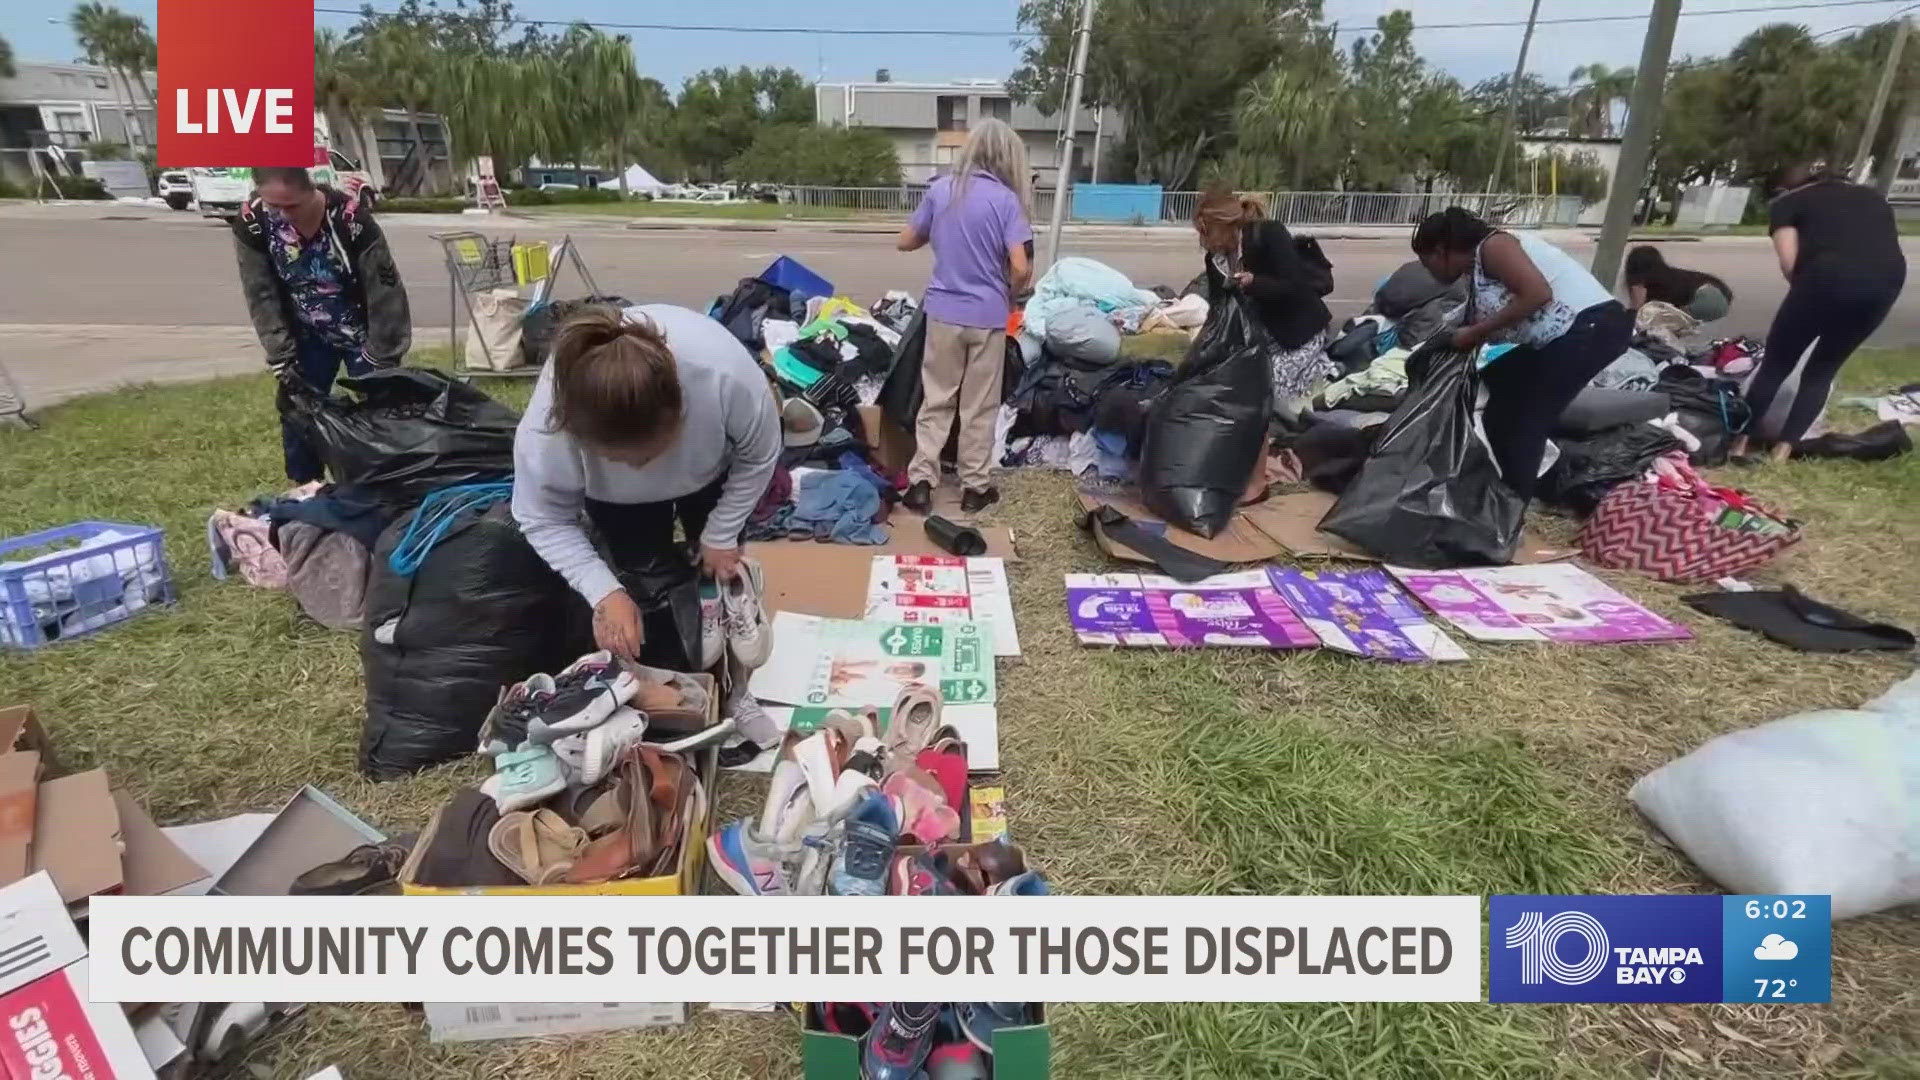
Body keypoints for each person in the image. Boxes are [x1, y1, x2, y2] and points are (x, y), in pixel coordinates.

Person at [512, 305, 780, 663]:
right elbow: (544, 519)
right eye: (620, 461)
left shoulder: (725, 377)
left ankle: (726, 595)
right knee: (640, 571)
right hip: (615, 501)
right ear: (578, 435)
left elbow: (759, 455)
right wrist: (603, 591)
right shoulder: (545, 433)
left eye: (651, 454)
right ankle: (667, 624)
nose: (638, 468)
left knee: (718, 555)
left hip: (711, 470)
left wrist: (723, 531)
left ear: (680, 412)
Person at [1411, 207, 1630, 499]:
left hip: (1592, 329)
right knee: (1497, 391)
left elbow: (1537, 294)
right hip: (1566, 336)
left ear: (1440, 251)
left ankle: (1513, 508)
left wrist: (1475, 334)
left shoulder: (1494, 246)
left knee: (1526, 417)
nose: (1429, 273)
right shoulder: (1475, 270)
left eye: (1427, 264)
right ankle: (1508, 489)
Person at [233, 166, 410, 482]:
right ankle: (308, 489)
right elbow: (260, 293)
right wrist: (280, 353)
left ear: (311, 190)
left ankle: (383, 483)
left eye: (293, 206)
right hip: (305, 331)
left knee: (382, 412)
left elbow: (386, 289)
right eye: (275, 206)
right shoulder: (253, 222)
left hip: (362, 331)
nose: (283, 216)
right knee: (298, 410)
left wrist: (382, 352)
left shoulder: (351, 220)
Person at [895, 117, 1034, 515]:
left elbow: (907, 240)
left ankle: (922, 481)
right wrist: (1008, 292)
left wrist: (931, 235)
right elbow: (1021, 267)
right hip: (988, 316)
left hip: (943, 313)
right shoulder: (1007, 201)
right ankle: (975, 487)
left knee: (936, 399)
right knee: (978, 405)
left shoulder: (942, 191)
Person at [1730, 165, 1907, 462]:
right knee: (1822, 370)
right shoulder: (1872, 197)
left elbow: (1790, 263)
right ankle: (1783, 452)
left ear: (1779, 192)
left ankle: (1739, 444)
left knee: (1776, 364)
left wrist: (1808, 298)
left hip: (1826, 276)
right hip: (1886, 282)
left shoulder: (1788, 203)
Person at [1192, 185, 1336, 417]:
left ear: (1224, 224)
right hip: (1263, 336)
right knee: (1235, 385)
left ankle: (1321, 371)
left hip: (1298, 333)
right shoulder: (1216, 260)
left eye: (1206, 232)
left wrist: (1254, 283)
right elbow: (1219, 307)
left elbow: (1293, 283)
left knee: (1269, 398)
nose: (1202, 241)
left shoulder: (1268, 233)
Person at [1624, 245, 1734, 322]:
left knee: (1664, 322)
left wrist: (1635, 307)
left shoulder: (1652, 286)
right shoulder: (1670, 276)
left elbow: (1639, 317)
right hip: (1718, 292)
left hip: (1707, 299)